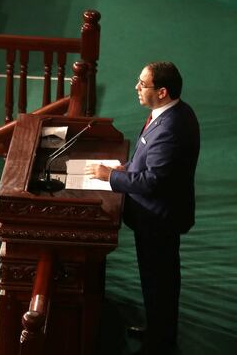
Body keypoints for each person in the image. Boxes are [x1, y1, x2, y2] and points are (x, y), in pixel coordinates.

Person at [85, 62, 199, 355]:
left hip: (158, 220)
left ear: (162, 92)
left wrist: (109, 176)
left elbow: (153, 182)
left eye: (142, 84)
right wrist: (128, 167)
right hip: (156, 216)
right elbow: (149, 162)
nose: (136, 88)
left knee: (159, 282)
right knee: (158, 279)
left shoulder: (170, 128)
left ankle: (159, 344)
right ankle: (159, 330)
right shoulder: (172, 112)